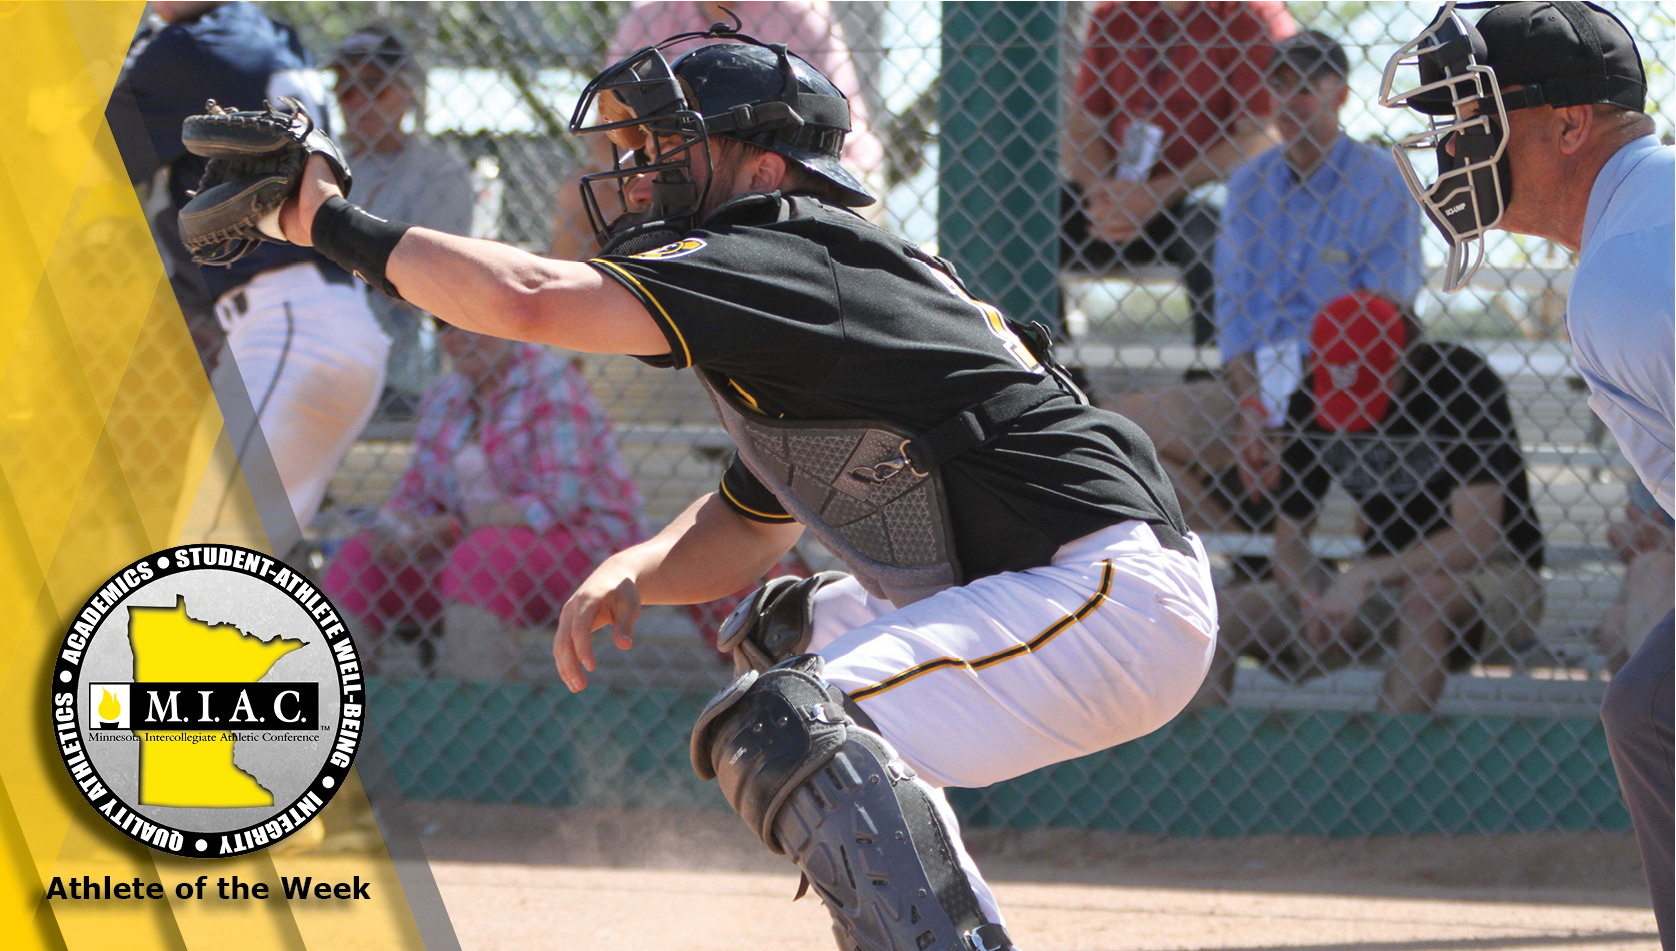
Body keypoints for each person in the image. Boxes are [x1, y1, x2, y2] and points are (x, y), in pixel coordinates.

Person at [262, 28, 1215, 950]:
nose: (640, 168)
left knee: (796, 719)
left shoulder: (789, 248)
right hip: (1053, 585)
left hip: (1102, 592)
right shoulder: (798, 291)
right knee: (788, 640)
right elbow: (752, 521)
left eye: (672, 146)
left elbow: (526, 301)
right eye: (636, 146)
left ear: (765, 169)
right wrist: (633, 567)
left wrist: (326, 221)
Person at [1381, 3, 1671, 942]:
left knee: (1653, 710)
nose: (1454, 148)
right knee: (1650, 704)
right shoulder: (1641, 222)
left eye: (1476, 119)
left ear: (1571, 125)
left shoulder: (1625, 268)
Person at [106, 1, 389, 556]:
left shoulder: (193, 48)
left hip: (290, 328)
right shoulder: (271, 34)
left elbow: (75, 161)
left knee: (195, 573)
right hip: (309, 325)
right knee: (218, 574)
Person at [1116, 29, 1425, 533]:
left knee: (1363, 482)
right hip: (1252, 379)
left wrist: (1301, 408)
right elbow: (1234, 312)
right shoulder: (1247, 182)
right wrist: (1253, 404)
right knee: (1114, 434)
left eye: (1306, 85)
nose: (1290, 99)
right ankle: (1242, 549)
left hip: (1345, 379)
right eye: (1279, 85)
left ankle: (1273, 550)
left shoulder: (1384, 178)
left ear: (1340, 93)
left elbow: (1386, 311)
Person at [1206, 293, 1545, 713]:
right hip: (1380, 580)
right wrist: (1311, 599)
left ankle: (1391, 768)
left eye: (1369, 390)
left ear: (1404, 361)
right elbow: (1289, 542)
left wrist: (1364, 576)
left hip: (1492, 572)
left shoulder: (1461, 382)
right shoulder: (1310, 397)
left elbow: (1475, 538)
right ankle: (1189, 766)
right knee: (1219, 614)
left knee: (1428, 597)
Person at [323, 322, 643, 680]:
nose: (466, 337)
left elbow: (558, 501)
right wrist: (401, 529)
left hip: (584, 551)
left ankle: (488, 712)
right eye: (447, 326)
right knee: (359, 558)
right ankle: (340, 711)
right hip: (464, 553)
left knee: (481, 555)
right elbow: (414, 494)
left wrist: (456, 526)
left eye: (478, 323)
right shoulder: (443, 396)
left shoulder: (553, 382)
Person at [551, 0, 885, 260]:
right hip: (677, 158)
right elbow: (608, 122)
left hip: (806, 160)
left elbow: (832, 121)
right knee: (582, 196)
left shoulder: (797, 11)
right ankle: (559, 346)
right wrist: (647, 169)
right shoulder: (650, 14)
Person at [1064, 0, 1294, 345]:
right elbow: (1084, 125)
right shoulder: (1113, 14)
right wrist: (1103, 192)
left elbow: (1263, 136)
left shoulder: (1251, 13)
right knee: (1031, 213)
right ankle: (1048, 379)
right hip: (1121, 200)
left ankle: (1215, 374)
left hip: (1205, 192)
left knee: (1209, 218)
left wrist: (1157, 193)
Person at [331, 26, 474, 417]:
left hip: (398, 371)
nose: (358, 100)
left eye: (375, 85)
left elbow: (426, 283)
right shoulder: (322, 166)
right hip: (321, 353)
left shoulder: (439, 172)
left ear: (409, 92)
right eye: (345, 88)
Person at [1594, 479, 1674, 675]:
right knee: (1615, 625)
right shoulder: (1660, 461)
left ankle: (1655, 697)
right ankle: (1647, 698)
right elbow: (1625, 530)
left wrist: (1666, 540)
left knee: (1654, 566)